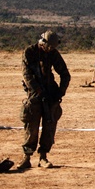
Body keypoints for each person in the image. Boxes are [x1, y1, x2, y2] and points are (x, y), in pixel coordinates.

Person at [17, 30, 71, 170]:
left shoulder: (53, 53)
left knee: (49, 126)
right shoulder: (29, 52)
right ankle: (26, 157)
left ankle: (43, 157)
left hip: (50, 95)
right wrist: (37, 90)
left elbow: (65, 74)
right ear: (43, 42)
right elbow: (26, 75)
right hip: (35, 95)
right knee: (31, 127)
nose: (50, 50)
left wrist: (60, 92)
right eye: (49, 47)